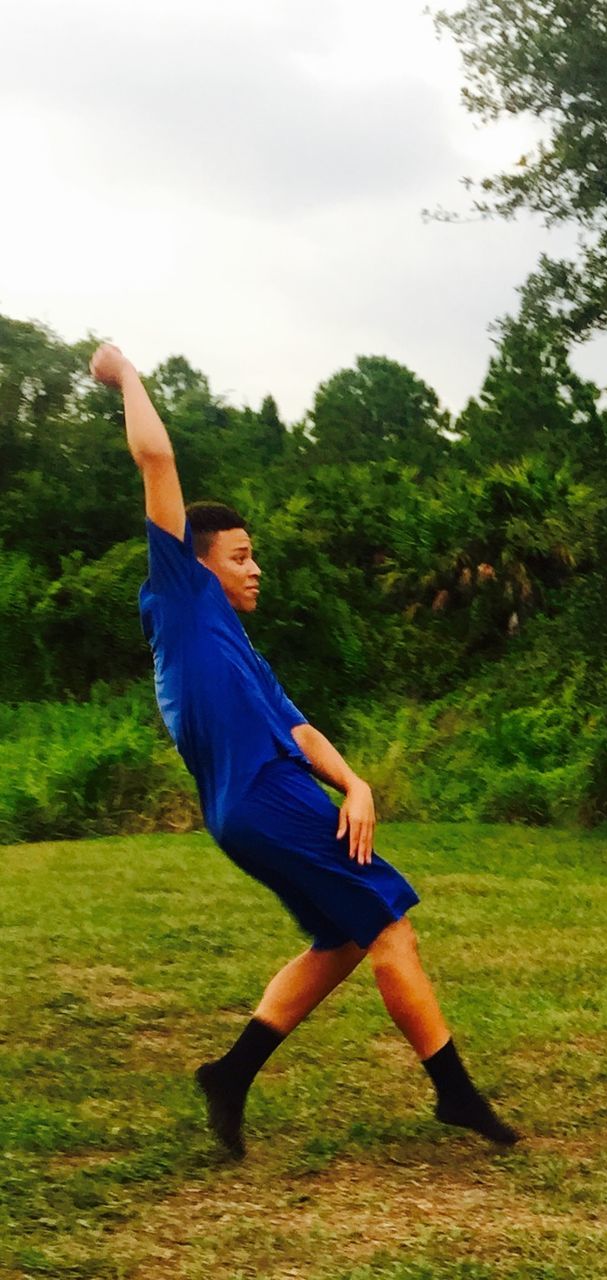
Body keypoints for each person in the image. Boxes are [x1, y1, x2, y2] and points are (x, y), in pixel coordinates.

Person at [89, 342, 520, 1157]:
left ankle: (231, 1073)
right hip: (264, 799)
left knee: (345, 938)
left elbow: (300, 730)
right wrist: (127, 374)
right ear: (199, 562)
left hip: (254, 802)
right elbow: (155, 456)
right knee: (391, 926)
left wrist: (356, 784)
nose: (257, 570)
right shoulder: (180, 598)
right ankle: (456, 1096)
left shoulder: (240, 651)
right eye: (242, 557)